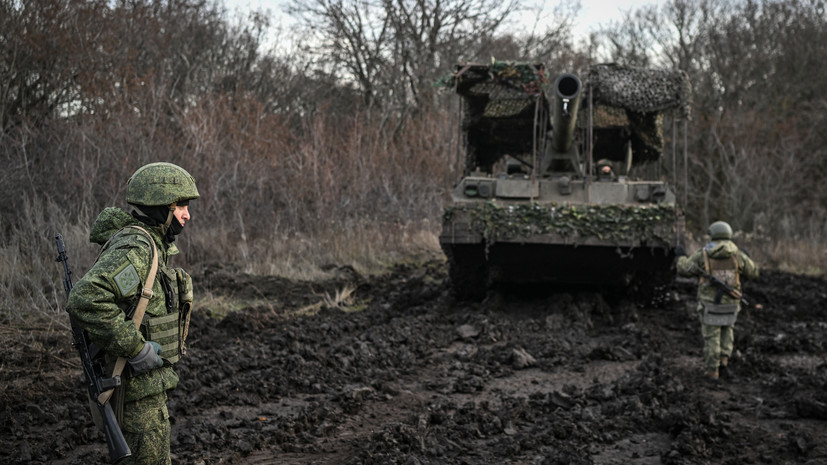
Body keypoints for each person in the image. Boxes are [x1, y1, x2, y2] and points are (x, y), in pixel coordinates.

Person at [67, 162, 199, 464]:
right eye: (180, 205)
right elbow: (86, 299)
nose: (186, 214)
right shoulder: (137, 249)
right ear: (161, 207)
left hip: (146, 392)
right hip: (137, 398)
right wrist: (137, 349)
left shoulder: (149, 245)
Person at [675, 221, 758, 380]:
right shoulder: (737, 254)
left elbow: (684, 269)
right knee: (727, 332)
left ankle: (712, 371)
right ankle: (724, 363)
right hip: (732, 303)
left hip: (710, 304)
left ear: (712, 234)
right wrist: (746, 257)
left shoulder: (703, 254)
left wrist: (680, 256)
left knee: (712, 336)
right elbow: (753, 272)